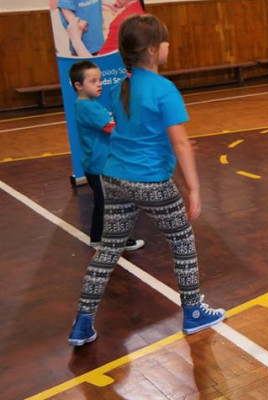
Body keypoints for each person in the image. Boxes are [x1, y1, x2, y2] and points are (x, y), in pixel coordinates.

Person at [68, 14, 225, 346]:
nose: (169, 46)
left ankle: (82, 322)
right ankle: (194, 312)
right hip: (151, 182)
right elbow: (181, 143)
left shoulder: (118, 87)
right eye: (166, 42)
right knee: (183, 244)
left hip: (114, 179)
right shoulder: (164, 89)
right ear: (153, 50)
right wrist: (194, 188)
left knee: (108, 250)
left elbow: (137, 132)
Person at [69, 60, 145, 252]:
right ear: (78, 86)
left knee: (108, 203)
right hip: (100, 166)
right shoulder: (88, 107)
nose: (99, 84)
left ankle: (105, 238)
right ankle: (109, 240)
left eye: (100, 80)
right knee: (109, 206)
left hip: (100, 164)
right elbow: (111, 128)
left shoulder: (87, 105)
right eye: (93, 81)